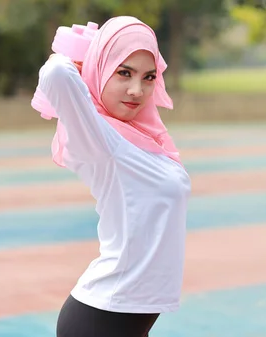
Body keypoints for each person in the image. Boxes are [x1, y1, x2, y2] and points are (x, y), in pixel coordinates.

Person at [35, 16, 191, 337]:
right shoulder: (100, 138)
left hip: (127, 317)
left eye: (149, 77)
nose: (137, 90)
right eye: (123, 73)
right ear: (99, 69)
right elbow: (56, 73)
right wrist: (82, 51)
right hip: (102, 317)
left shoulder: (145, 137)